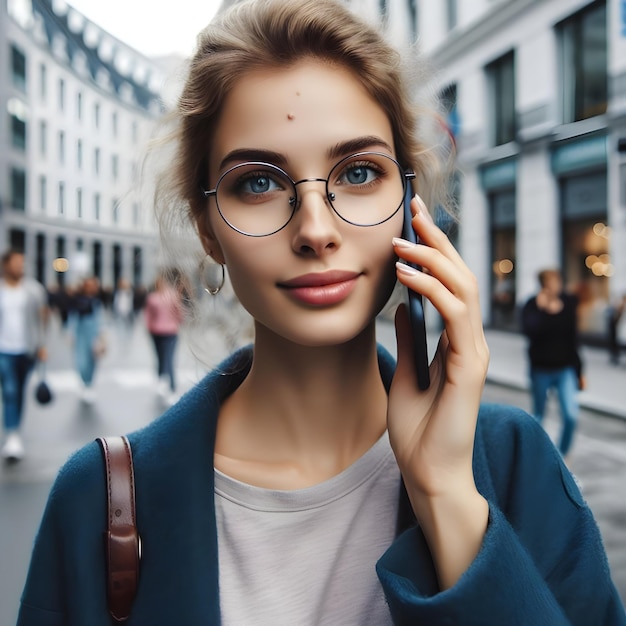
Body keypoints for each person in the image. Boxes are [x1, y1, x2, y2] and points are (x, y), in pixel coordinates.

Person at [18, 1, 625, 624]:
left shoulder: (512, 463)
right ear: (207, 227)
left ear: (410, 203)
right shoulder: (100, 500)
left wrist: (447, 498)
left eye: (359, 172)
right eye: (259, 182)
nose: (315, 230)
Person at [521, 269, 584, 460]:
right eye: (550, 282)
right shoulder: (532, 305)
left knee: (571, 415)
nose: (555, 285)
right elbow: (529, 332)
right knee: (538, 416)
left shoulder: (568, 302)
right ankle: (537, 456)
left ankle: (560, 457)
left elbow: (573, 340)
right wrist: (541, 310)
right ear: (543, 285)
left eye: (557, 280)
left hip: (565, 369)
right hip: (541, 369)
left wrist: (580, 371)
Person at [0, 249, 48, 461]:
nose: (21, 266)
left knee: (19, 391)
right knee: (10, 390)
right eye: (17, 263)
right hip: (3, 350)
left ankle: (15, 430)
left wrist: (42, 344)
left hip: (27, 349)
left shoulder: (34, 290)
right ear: (5, 265)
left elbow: (43, 318)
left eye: (23, 263)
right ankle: (12, 436)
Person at [144, 271, 185, 404]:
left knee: (168, 358)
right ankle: (161, 379)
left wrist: (179, 322)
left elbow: (178, 311)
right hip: (156, 331)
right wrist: (149, 327)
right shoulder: (152, 298)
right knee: (160, 357)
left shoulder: (172, 296)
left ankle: (172, 387)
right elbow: (149, 314)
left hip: (170, 332)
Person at [68, 276, 106, 404]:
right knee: (81, 362)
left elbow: (100, 320)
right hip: (81, 335)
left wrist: (102, 337)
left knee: (92, 362)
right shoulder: (77, 300)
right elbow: (72, 318)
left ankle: (89, 384)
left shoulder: (96, 302)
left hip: (93, 335)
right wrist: (70, 334)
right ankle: (84, 383)